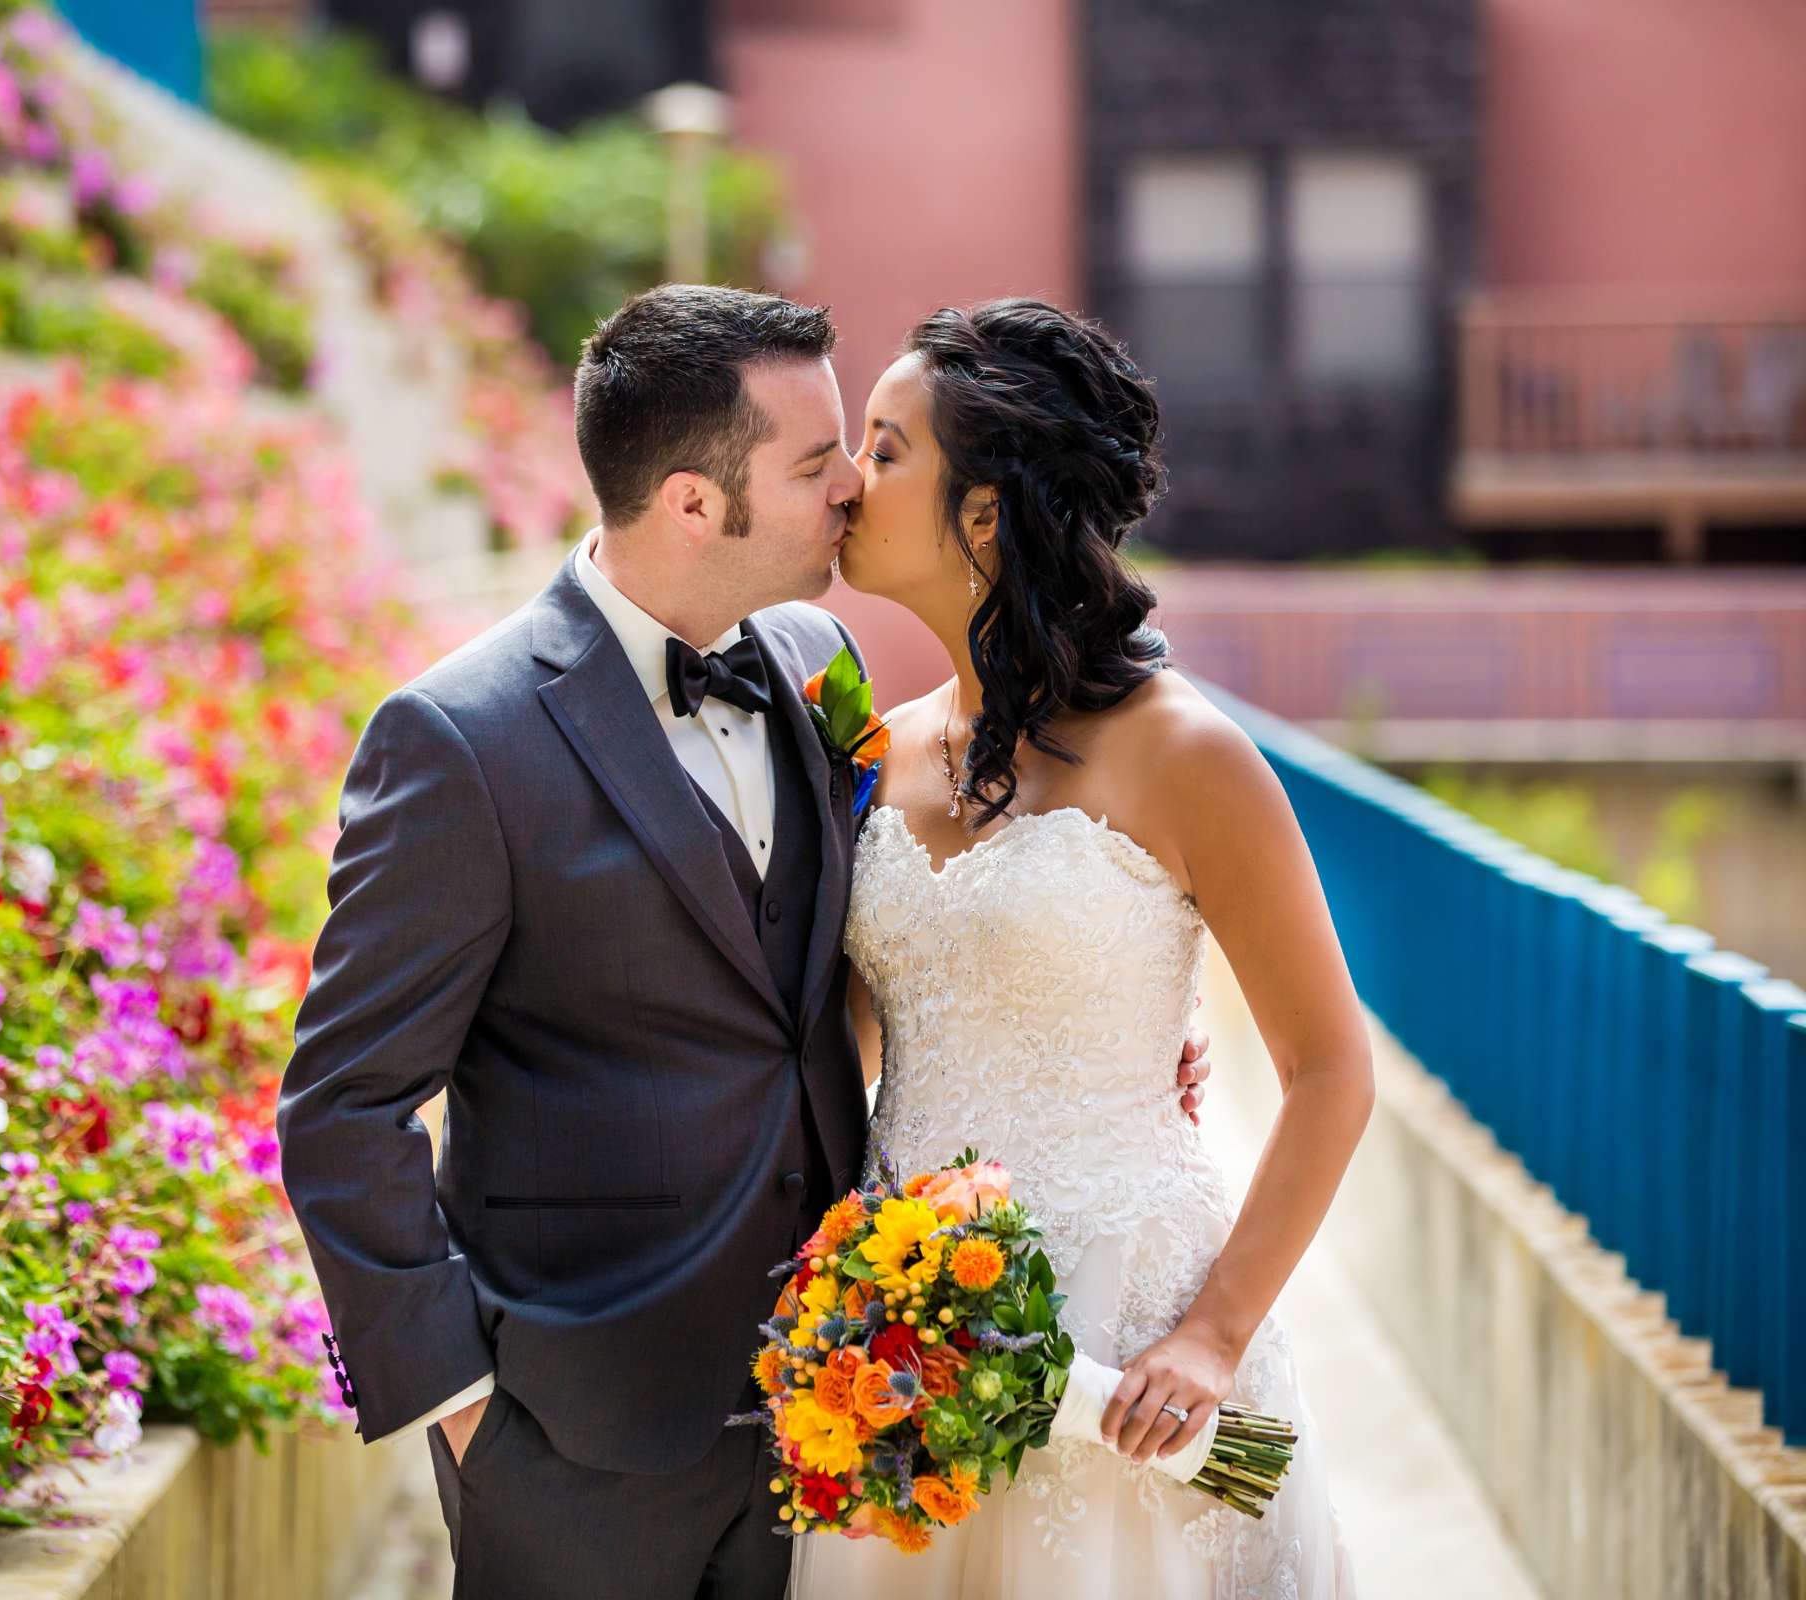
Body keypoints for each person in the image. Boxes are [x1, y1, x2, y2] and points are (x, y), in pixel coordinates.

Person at [276, 285, 1210, 1600]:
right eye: (816, 461)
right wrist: (465, 1404)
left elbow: (866, 942)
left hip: (837, 1418)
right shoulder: (459, 743)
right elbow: (342, 1107)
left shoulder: (818, 661)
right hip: (574, 1443)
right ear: (695, 504)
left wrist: (1101, 1008)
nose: (848, 492)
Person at [788, 298, 1364, 1598]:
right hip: (906, 1342)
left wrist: (1214, 1337)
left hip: (1140, 1326)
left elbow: (1333, 1070)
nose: (847, 483)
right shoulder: (874, 748)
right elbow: (863, 1030)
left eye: (885, 451)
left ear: (986, 512)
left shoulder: (1188, 753)